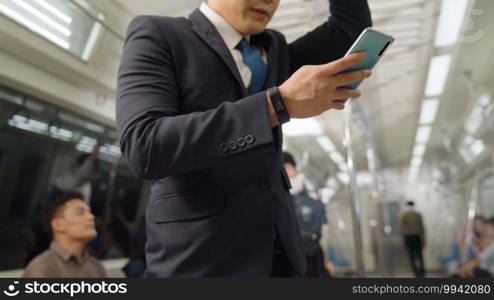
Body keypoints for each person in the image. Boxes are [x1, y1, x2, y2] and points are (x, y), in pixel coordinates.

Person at [116, 0, 372, 277]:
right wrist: (275, 105)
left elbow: (349, 27)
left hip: (282, 258)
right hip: (201, 260)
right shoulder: (160, 34)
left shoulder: (274, 49)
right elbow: (144, 146)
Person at [23, 192, 107, 278]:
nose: (91, 217)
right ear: (58, 224)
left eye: (89, 212)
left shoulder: (97, 267)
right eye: (80, 213)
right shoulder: (43, 268)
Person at [283, 152, 332, 277]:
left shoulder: (311, 190)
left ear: (288, 166)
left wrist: (327, 260)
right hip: (290, 254)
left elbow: (324, 227)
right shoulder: (280, 194)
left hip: (312, 253)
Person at [51, 141, 101, 205]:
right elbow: (90, 161)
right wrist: (97, 148)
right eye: (92, 172)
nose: (93, 176)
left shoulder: (86, 187)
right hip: (56, 194)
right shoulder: (78, 176)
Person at [399, 201, 426, 277]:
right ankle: (421, 273)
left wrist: (403, 239)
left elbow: (402, 228)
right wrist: (423, 239)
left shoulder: (404, 215)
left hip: (410, 237)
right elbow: (422, 228)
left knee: (412, 256)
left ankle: (416, 273)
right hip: (416, 237)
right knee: (419, 256)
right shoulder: (417, 215)